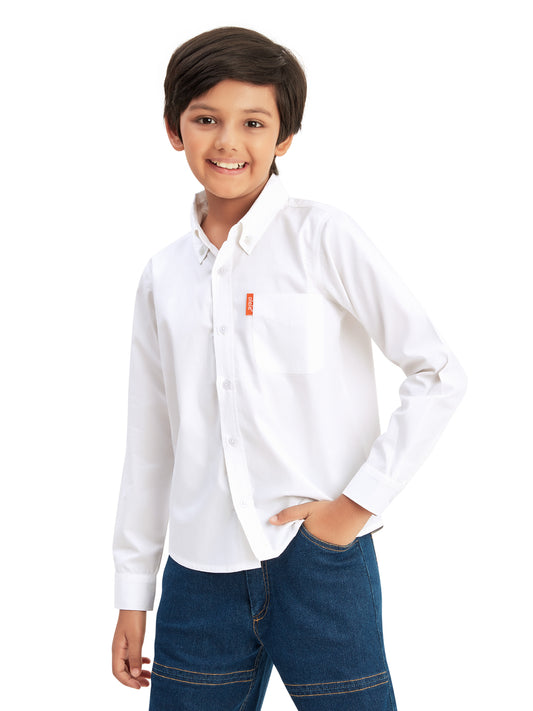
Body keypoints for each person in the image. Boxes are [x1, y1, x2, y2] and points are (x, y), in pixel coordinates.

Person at [111, 26, 467, 710]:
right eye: (206, 119)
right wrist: (133, 593)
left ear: (285, 138)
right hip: (198, 575)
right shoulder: (163, 276)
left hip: (319, 563)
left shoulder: (322, 237)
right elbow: (150, 443)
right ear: (173, 130)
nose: (228, 142)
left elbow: (438, 372)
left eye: (253, 122)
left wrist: (350, 510)